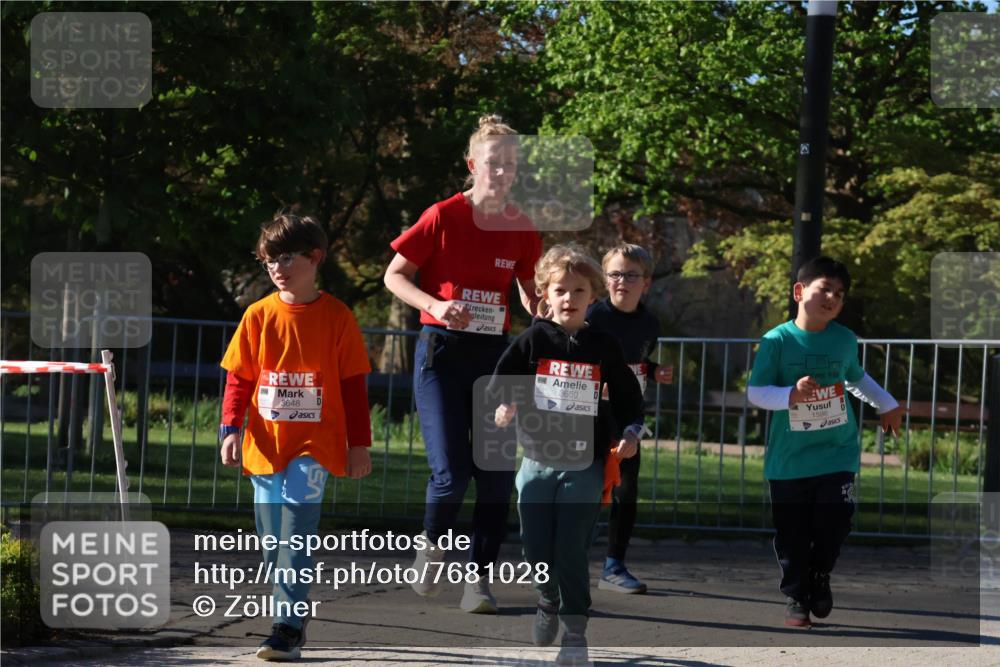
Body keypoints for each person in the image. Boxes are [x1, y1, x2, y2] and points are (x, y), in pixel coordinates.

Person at [383, 114, 543, 613]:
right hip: (442, 352)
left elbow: (529, 285)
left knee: (494, 474)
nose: (501, 173)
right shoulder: (443, 215)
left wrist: (542, 310)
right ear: (474, 165)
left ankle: (479, 581)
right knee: (451, 471)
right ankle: (431, 546)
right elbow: (394, 275)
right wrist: (434, 304)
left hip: (493, 358)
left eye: (510, 166)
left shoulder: (520, 226)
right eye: (493, 164)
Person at [219, 213, 373, 660]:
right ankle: (295, 607)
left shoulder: (338, 317)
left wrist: (358, 444)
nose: (278, 268)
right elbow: (238, 380)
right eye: (269, 261)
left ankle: (286, 626)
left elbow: (353, 387)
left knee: (296, 531)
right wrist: (231, 429)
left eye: (287, 258)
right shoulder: (257, 315)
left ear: (314, 257)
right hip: (266, 444)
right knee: (271, 539)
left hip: (316, 447)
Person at [490, 244, 645, 665]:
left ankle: (575, 631)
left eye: (579, 291)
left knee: (573, 548)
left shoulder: (604, 344)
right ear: (545, 294)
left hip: (586, 461)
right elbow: (502, 380)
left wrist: (631, 432)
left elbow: (631, 397)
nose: (569, 299)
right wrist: (504, 405)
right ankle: (547, 597)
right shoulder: (534, 339)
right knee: (536, 549)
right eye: (560, 290)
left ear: (592, 296)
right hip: (538, 459)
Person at [747, 256, 903, 627]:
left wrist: (888, 403)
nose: (833, 297)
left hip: (837, 453)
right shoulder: (776, 340)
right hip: (790, 461)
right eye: (825, 289)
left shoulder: (845, 339)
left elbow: (856, 379)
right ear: (800, 292)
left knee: (834, 523)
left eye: (840, 293)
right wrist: (790, 395)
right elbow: (756, 392)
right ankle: (797, 596)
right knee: (793, 534)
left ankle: (820, 575)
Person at [586, 243, 673, 594]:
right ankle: (560, 560)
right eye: (616, 274)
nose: (623, 281)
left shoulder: (650, 322)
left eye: (631, 275)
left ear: (646, 283)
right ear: (604, 279)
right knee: (584, 488)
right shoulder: (593, 316)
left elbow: (634, 362)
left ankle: (614, 565)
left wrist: (652, 370)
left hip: (628, 416)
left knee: (627, 490)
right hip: (591, 414)